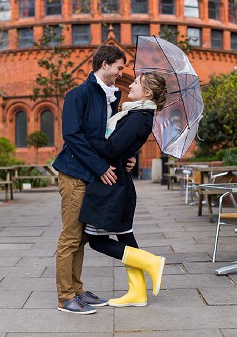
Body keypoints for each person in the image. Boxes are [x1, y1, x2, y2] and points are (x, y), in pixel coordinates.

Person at [80, 73, 169, 307]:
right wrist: (128, 156)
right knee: (125, 235)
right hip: (118, 181)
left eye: (136, 83)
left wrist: (87, 137)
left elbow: (111, 148)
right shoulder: (135, 113)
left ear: (147, 93)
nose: (130, 84)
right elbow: (122, 147)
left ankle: (150, 261)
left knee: (96, 239)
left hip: (112, 184)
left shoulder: (139, 116)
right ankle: (137, 292)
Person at [52, 45, 125, 314]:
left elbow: (106, 139)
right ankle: (65, 297)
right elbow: (72, 136)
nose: (121, 73)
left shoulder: (112, 97)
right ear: (104, 64)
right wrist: (99, 167)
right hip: (74, 173)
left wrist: (125, 159)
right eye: (118, 67)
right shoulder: (78, 94)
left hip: (92, 175)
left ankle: (78, 290)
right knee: (70, 237)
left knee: (81, 237)